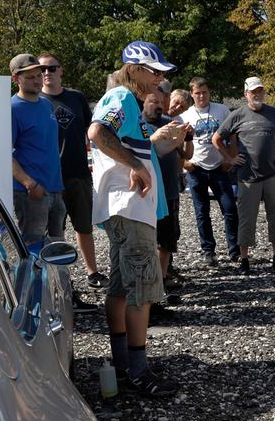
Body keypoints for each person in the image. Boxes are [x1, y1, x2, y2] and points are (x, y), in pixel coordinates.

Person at [88, 40, 184, 397]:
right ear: (134, 69)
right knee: (142, 290)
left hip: (127, 209)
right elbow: (97, 132)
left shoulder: (130, 105)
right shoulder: (122, 98)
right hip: (129, 209)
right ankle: (139, 372)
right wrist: (132, 166)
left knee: (120, 286)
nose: (159, 79)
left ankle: (123, 362)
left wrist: (155, 145)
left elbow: (130, 146)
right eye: (154, 71)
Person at [38, 53, 109, 303]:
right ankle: (60, 285)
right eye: (42, 69)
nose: (47, 73)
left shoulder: (76, 98)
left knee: (84, 226)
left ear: (61, 70)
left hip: (78, 172)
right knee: (54, 233)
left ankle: (93, 272)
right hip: (48, 179)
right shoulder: (34, 101)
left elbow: (94, 133)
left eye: (52, 68)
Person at [213, 76, 275, 275]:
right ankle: (244, 260)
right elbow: (216, 138)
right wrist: (230, 158)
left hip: (272, 174)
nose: (257, 94)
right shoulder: (237, 115)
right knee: (246, 219)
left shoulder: (274, 114)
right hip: (247, 177)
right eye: (253, 91)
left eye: (260, 90)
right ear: (246, 94)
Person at [180, 77, 240, 266]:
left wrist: (230, 159)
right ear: (192, 94)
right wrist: (184, 162)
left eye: (204, 92)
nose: (201, 96)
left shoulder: (221, 110)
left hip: (219, 167)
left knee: (230, 208)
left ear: (209, 92)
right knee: (202, 212)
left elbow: (232, 135)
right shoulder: (186, 114)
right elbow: (177, 141)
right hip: (196, 167)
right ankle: (208, 251)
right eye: (197, 93)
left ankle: (234, 249)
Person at [9, 53, 66, 247]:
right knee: (32, 248)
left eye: (38, 75)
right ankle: (34, 279)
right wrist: (30, 184)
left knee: (57, 247)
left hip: (55, 189)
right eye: (30, 77)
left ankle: (59, 279)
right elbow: (4, 154)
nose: (37, 80)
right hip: (30, 194)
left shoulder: (46, 104)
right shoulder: (12, 108)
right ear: (16, 79)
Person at [142, 90, 193, 302]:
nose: (159, 106)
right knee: (147, 242)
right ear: (143, 102)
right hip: (145, 192)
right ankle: (148, 285)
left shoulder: (171, 123)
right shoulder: (137, 125)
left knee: (167, 241)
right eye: (153, 101)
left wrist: (188, 138)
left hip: (170, 190)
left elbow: (187, 155)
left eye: (162, 102)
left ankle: (161, 283)